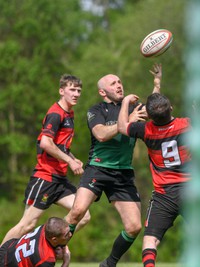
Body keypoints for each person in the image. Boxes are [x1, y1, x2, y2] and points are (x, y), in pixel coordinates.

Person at [65, 64, 162, 267]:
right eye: (113, 83)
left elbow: (154, 109)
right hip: (98, 168)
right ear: (102, 91)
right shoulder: (97, 110)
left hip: (123, 174)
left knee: (134, 227)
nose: (119, 85)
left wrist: (157, 84)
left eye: (120, 81)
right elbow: (100, 134)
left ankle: (109, 263)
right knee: (77, 212)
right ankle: (44, 249)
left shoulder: (134, 109)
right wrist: (128, 119)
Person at [1, 74, 90, 246]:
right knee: (27, 224)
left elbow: (60, 146)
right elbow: (45, 143)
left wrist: (72, 158)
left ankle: (45, 246)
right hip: (45, 177)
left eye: (79, 90)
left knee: (83, 215)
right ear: (61, 91)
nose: (76, 93)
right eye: (72, 89)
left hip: (60, 180)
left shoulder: (69, 114)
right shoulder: (56, 114)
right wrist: (70, 162)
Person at [117, 64, 191, 267]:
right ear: (172, 109)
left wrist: (125, 103)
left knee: (150, 240)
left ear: (149, 117)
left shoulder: (146, 131)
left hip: (164, 194)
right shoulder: (187, 125)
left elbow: (122, 126)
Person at [0, 217, 72, 267]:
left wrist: (57, 247)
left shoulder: (45, 228)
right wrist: (66, 262)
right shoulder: (46, 259)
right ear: (54, 239)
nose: (70, 234)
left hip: (8, 247)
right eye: (66, 234)